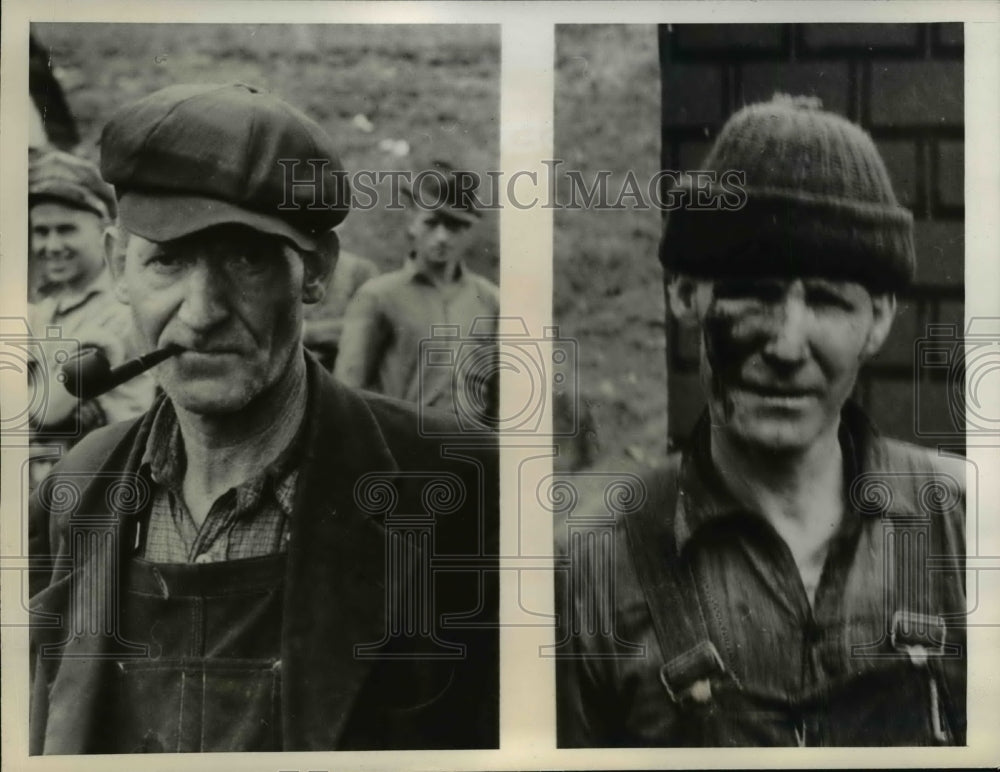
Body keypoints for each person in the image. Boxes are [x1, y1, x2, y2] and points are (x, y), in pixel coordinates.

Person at [29, 83, 498, 754]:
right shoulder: (74, 490)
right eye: (167, 259)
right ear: (116, 266)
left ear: (316, 271)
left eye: (245, 259)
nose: (201, 311)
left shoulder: (470, 488)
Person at [556, 95, 967, 747]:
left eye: (829, 301)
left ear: (881, 318)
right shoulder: (592, 575)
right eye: (756, 292)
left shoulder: (969, 531)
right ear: (686, 293)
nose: (786, 344)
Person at [334, 161, 500, 427]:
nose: (443, 237)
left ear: (467, 230)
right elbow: (347, 394)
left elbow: (501, 396)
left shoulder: (490, 300)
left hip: (473, 455)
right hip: (403, 454)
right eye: (431, 223)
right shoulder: (379, 296)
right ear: (412, 221)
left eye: (454, 226)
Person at [27, 150, 155, 483]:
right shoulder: (51, 307)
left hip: (108, 484)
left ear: (103, 230)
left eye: (66, 229)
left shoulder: (121, 310)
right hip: (55, 484)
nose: (51, 245)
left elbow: (44, 412)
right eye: (41, 231)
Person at [302, 249, 379, 371]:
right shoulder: (279, 265)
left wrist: (305, 332)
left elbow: (368, 330)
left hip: (334, 375)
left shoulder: (359, 270)